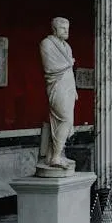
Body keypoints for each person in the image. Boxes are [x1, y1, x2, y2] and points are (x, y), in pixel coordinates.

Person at [39, 16, 77, 169]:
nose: (66, 31)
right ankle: (55, 157)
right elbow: (49, 67)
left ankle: (55, 154)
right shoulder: (46, 43)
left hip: (68, 87)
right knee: (65, 119)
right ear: (54, 29)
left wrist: (74, 89)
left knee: (65, 122)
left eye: (68, 28)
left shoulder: (67, 47)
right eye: (63, 28)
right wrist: (69, 62)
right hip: (56, 86)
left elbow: (70, 71)